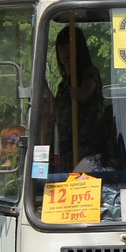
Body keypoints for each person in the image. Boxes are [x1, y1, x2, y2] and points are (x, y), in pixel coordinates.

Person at [51, 25, 103, 171]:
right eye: (62, 48)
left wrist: (82, 93)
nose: (66, 52)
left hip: (86, 150)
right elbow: (54, 109)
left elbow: (88, 88)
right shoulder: (63, 85)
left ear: (79, 49)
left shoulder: (89, 73)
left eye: (70, 47)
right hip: (65, 150)